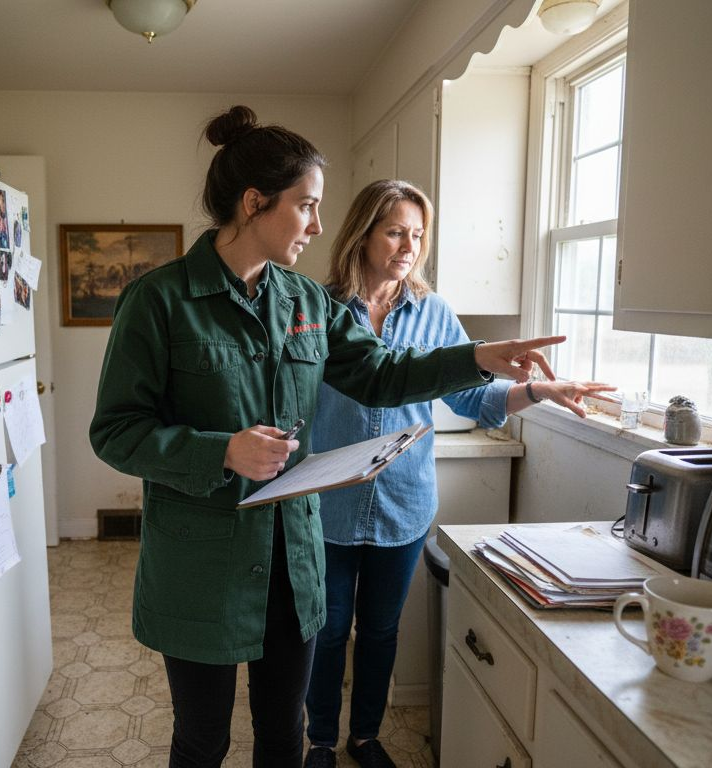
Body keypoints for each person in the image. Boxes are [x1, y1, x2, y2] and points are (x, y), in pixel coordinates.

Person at [89, 105, 564, 768]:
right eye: (306, 206)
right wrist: (220, 450)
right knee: (204, 739)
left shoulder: (305, 303)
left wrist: (477, 358)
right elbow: (116, 432)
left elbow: (378, 371)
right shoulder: (159, 301)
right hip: (201, 565)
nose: (318, 225)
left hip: (294, 559)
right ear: (256, 203)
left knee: (283, 734)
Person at [302, 180, 614, 768]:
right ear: (363, 233)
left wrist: (540, 391)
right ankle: (319, 740)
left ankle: (364, 737)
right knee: (327, 630)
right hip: (328, 504)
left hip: (404, 502)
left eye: (418, 235)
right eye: (395, 231)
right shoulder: (316, 310)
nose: (408, 246)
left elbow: (474, 398)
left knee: (380, 632)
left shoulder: (435, 313)